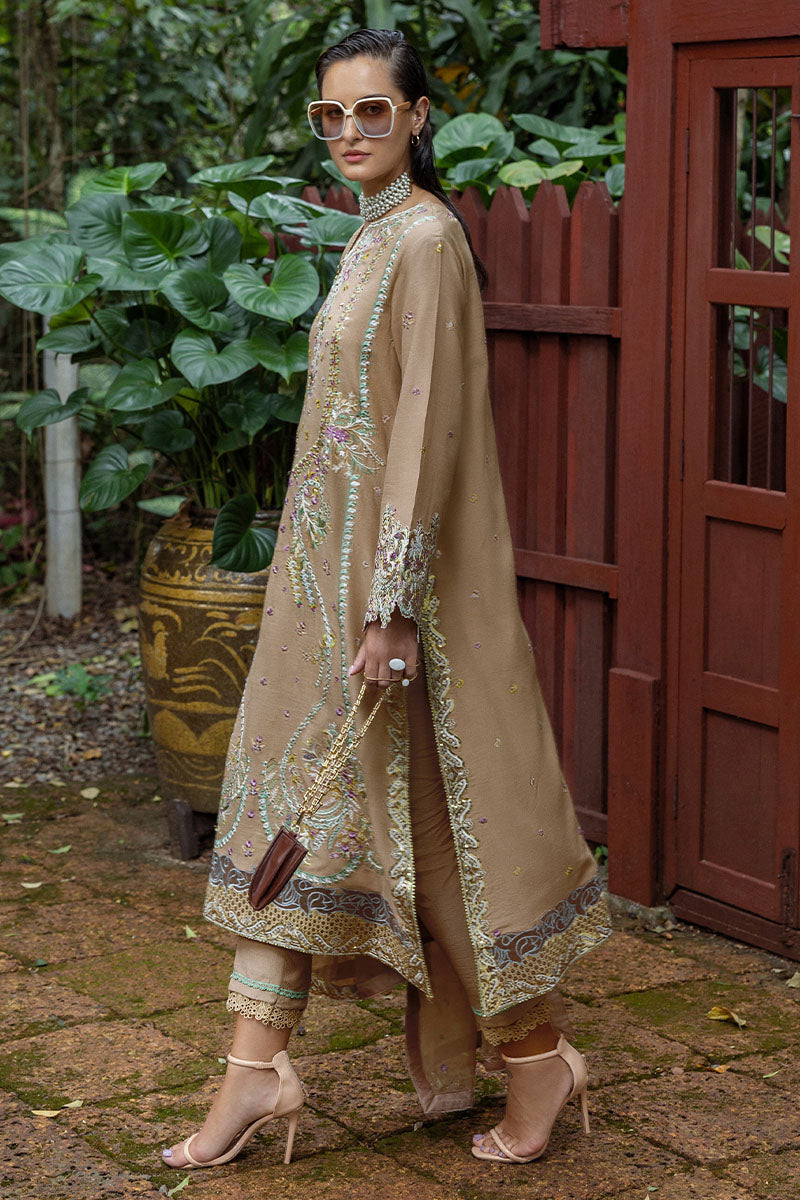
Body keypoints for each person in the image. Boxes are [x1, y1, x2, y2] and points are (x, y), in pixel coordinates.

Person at [162, 27, 612, 1172]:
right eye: (332, 115)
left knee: (436, 834)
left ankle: (533, 1057)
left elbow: (425, 427)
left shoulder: (424, 240)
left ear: (417, 116)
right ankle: (257, 1070)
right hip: (324, 593)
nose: (351, 131)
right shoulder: (368, 234)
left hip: (390, 602)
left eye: (374, 110)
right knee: (307, 815)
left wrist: (393, 605)